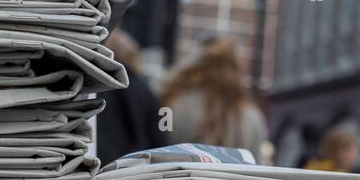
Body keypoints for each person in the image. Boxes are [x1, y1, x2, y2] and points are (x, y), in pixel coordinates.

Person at [161, 38, 268, 159]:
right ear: (236, 68)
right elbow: (255, 163)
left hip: (179, 175)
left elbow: (160, 150)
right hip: (232, 177)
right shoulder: (251, 116)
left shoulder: (176, 103)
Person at [94, 29, 162, 164]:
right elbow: (159, 136)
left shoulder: (97, 87)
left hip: (101, 163)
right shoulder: (145, 90)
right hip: (136, 165)